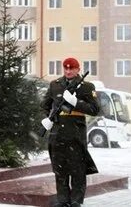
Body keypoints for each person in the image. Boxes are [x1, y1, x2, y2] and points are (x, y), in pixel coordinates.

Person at [40, 57, 100, 207]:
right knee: (60, 171)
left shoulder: (86, 87)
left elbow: (95, 109)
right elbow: (44, 106)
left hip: (75, 134)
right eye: (65, 68)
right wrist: (46, 120)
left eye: (71, 68)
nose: (68, 71)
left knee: (77, 171)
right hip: (57, 134)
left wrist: (76, 103)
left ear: (78, 69)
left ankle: (75, 202)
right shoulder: (55, 85)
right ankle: (63, 201)